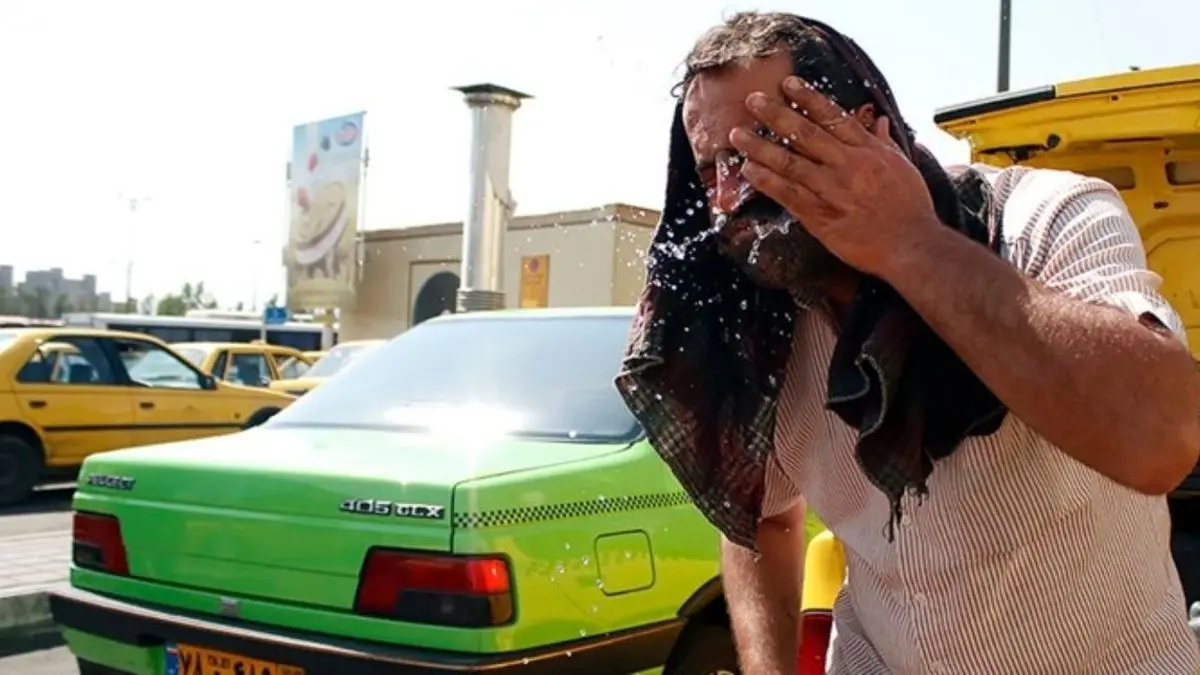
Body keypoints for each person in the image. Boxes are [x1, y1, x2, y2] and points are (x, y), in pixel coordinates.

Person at [614, 11, 1200, 674]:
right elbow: (763, 517)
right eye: (713, 168)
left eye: (769, 146)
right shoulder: (765, 321)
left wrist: (911, 243)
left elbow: (1161, 441)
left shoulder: (1044, 218)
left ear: (869, 129)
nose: (735, 194)